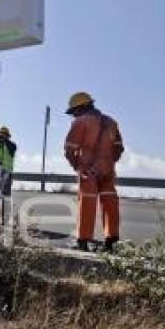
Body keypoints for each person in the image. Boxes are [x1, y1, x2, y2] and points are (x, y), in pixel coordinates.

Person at [63, 92, 125, 252]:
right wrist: (109, 163)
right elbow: (119, 148)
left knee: (87, 203)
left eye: (74, 112)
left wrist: (78, 165)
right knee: (110, 203)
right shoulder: (112, 122)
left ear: (80, 108)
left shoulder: (81, 122)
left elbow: (69, 150)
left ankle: (82, 243)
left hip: (88, 171)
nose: (73, 116)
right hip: (108, 172)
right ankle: (111, 242)